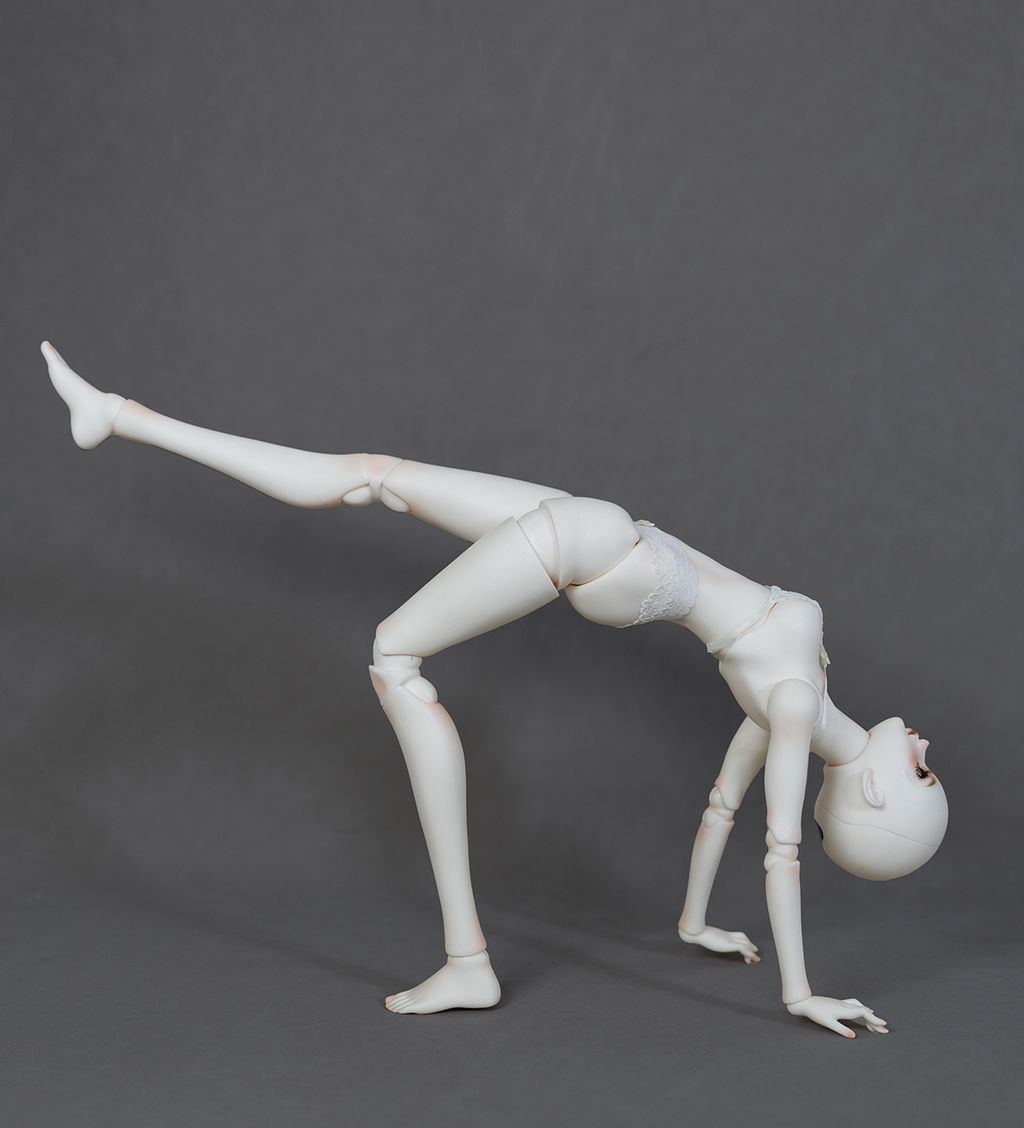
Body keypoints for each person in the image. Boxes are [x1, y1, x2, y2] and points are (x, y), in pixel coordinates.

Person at [41, 341, 948, 1037]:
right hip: (610, 537)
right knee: (374, 476)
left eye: (922, 774)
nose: (924, 750)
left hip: (597, 549)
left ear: (875, 793)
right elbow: (724, 803)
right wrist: (695, 922)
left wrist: (799, 992)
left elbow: (778, 848)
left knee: (394, 656)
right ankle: (119, 415)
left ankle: (467, 959)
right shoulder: (807, 687)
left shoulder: (792, 705)